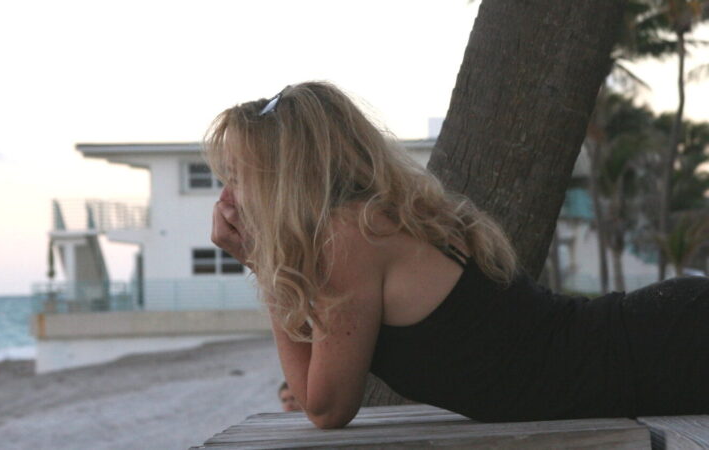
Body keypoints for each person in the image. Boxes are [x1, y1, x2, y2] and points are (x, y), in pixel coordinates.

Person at [206, 81, 709, 429]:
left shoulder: (350, 237)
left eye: (238, 174)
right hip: (656, 337)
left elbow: (325, 408)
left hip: (659, 353)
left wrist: (262, 266)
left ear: (285, 177)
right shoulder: (378, 219)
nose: (230, 194)